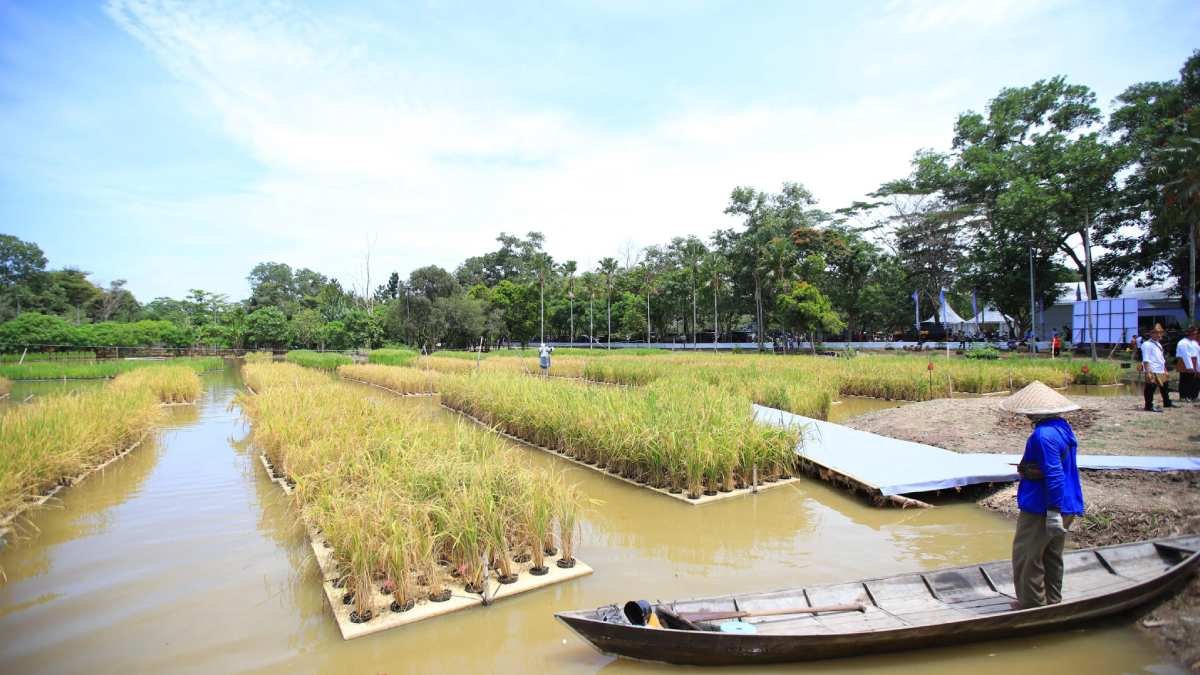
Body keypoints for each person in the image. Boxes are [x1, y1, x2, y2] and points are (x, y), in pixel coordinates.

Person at [1001, 381, 1085, 609]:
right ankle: (1052, 601)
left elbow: (1054, 474)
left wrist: (1053, 511)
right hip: (1067, 502)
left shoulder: (1042, 435)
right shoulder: (1062, 427)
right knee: (1051, 554)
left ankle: (1032, 606)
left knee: (1027, 555)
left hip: (1043, 506)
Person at [1142, 323, 1174, 412]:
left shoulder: (1158, 344)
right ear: (1151, 333)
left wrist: (1165, 370)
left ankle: (1167, 402)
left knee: (1165, 388)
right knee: (1150, 388)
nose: (1159, 335)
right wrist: (1148, 372)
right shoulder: (1147, 344)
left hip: (1160, 369)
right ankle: (1148, 406)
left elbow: (1161, 359)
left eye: (1160, 333)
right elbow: (1146, 359)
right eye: (1156, 333)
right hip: (1152, 369)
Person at [1176, 325, 1199, 403]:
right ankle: (1183, 396)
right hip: (1184, 362)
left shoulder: (1194, 342)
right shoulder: (1183, 342)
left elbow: (1197, 353)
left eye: (1196, 333)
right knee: (1185, 379)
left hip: (1194, 361)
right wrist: (1189, 366)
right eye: (1194, 333)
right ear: (1190, 333)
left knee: (1194, 380)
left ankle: (1192, 396)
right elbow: (1185, 355)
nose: (1196, 335)